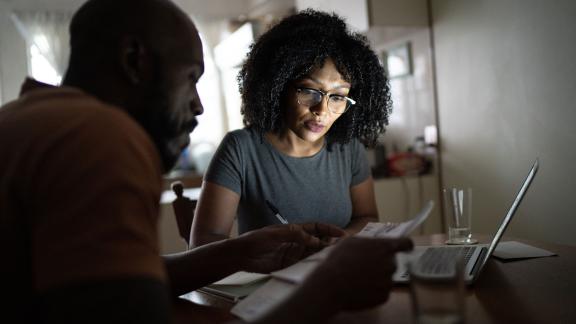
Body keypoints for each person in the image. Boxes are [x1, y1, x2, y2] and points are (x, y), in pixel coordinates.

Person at [0, 0, 412, 323]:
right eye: (190, 78)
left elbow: (107, 283)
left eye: (337, 95)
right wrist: (330, 287)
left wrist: (239, 252)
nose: (198, 105)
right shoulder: (97, 136)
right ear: (133, 59)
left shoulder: (25, 120)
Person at [191, 10, 392, 247]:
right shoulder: (240, 149)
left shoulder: (349, 150)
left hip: (336, 275)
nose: (322, 110)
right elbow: (204, 244)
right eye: (309, 91)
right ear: (278, 87)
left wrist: (339, 240)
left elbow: (367, 218)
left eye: (337, 97)